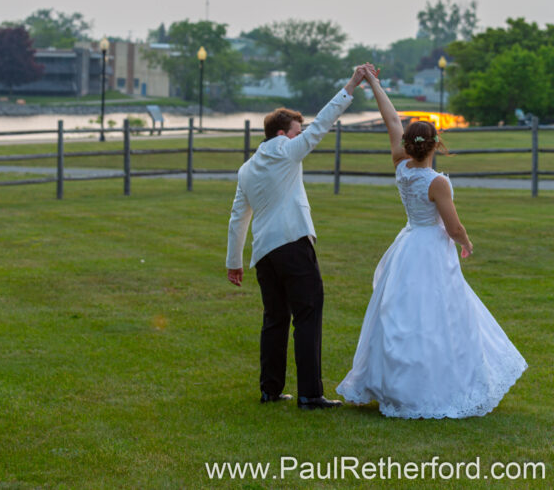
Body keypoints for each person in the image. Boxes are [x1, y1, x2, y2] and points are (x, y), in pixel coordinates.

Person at [336, 66, 528, 419]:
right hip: (431, 248)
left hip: (408, 243)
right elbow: (453, 226)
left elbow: (391, 119)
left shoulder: (400, 166)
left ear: (407, 145)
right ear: (436, 144)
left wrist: (373, 83)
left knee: (404, 314)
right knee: (440, 314)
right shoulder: (437, 182)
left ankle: (398, 381)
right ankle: (434, 385)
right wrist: (466, 241)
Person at [226, 65, 376, 411]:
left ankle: (270, 390)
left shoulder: (246, 168)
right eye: (298, 131)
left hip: (265, 255)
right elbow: (322, 124)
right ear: (282, 134)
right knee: (307, 316)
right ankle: (310, 394)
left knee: (275, 319)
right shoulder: (285, 150)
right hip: (293, 245)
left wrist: (234, 262)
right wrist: (351, 85)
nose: (302, 135)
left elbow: (238, 217)